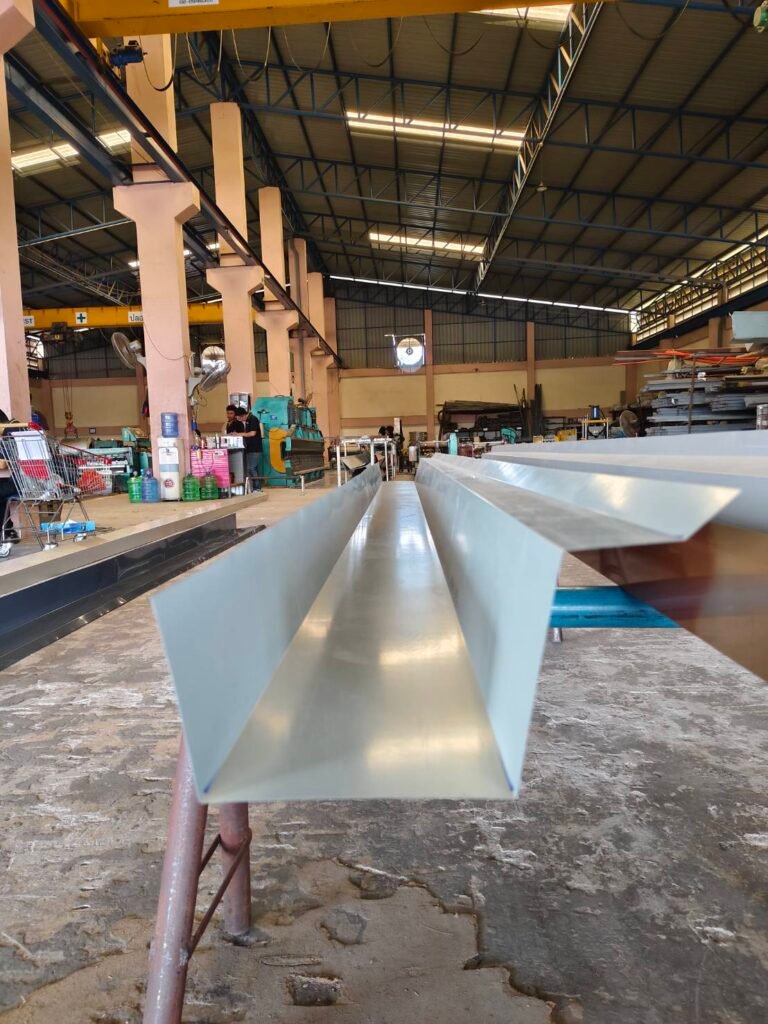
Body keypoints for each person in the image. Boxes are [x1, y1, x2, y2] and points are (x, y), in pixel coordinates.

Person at [237, 406, 263, 491]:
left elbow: (252, 433)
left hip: (255, 448)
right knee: (251, 468)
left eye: (239, 418)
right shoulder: (247, 421)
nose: (240, 420)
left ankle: (257, 487)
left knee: (251, 468)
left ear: (242, 415)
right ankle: (253, 487)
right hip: (249, 448)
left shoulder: (253, 419)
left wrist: (238, 434)